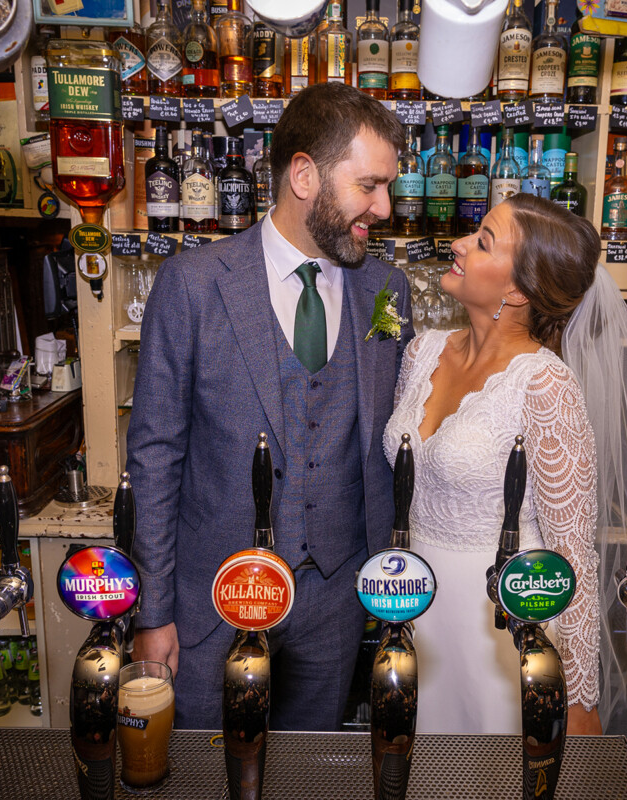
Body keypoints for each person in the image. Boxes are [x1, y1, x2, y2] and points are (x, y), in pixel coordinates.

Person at [127, 82, 412, 731]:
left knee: (311, 772)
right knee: (203, 771)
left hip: (336, 598)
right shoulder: (193, 285)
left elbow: (397, 425)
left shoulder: (387, 292)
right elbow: (154, 456)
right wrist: (154, 612)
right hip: (213, 600)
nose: (385, 206)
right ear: (305, 174)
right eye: (369, 185)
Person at [383, 193, 627, 736]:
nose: (457, 244)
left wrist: (576, 695)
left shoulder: (546, 385)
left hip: (503, 615)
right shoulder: (421, 354)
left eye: (482, 241)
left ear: (517, 289)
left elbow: (571, 551)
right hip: (414, 605)